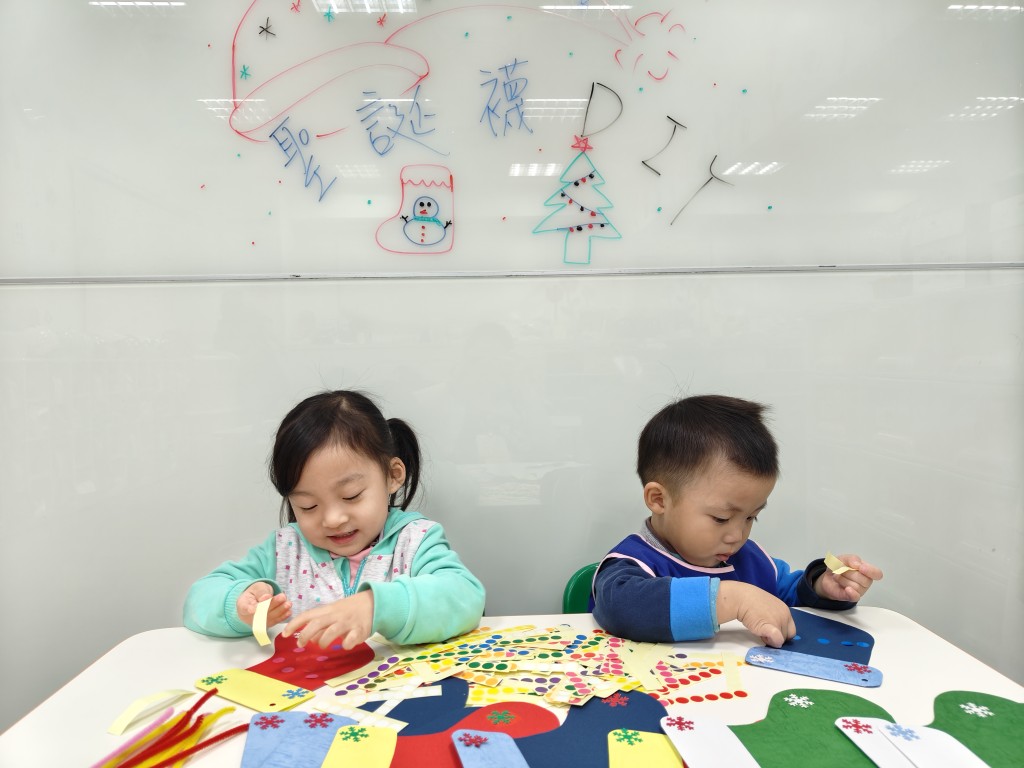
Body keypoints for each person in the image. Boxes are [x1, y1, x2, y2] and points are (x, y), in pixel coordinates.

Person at [184, 390, 485, 649]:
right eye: (308, 506)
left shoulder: (415, 541)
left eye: (351, 496)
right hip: (307, 695)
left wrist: (376, 607)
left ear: (393, 475)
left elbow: (465, 596)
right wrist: (239, 604)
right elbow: (198, 601)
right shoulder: (284, 551)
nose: (332, 519)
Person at [592, 395, 883, 648]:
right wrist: (734, 600)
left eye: (751, 517)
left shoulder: (750, 560)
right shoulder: (631, 564)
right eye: (721, 518)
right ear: (659, 500)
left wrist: (823, 586)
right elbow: (620, 607)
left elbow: (790, 595)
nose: (737, 535)